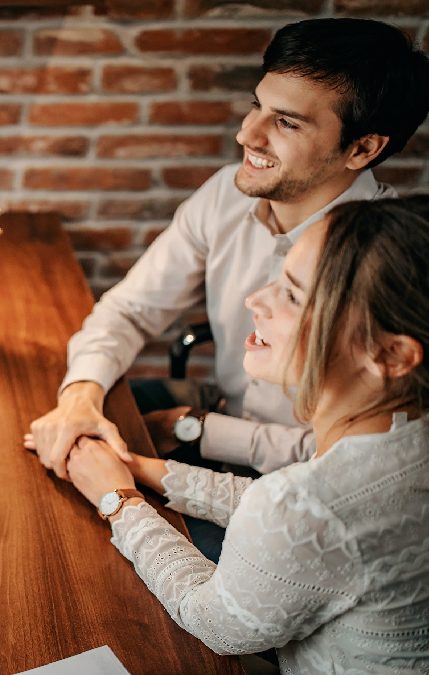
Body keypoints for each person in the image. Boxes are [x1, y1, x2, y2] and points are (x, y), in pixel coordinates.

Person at [27, 18, 429, 560]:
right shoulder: (226, 194)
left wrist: (196, 431)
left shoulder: (392, 261)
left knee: (111, 579)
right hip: (214, 429)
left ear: (362, 149)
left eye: (285, 122)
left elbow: (370, 460)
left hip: (305, 490)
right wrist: (81, 396)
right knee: (41, 447)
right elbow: (129, 310)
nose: (248, 134)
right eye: (257, 106)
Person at [63, 197, 429, 673]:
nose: (256, 300)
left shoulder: (303, 502)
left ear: (392, 355)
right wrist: (150, 471)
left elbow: (213, 622)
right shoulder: (404, 437)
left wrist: (118, 500)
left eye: (294, 296)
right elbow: (289, 513)